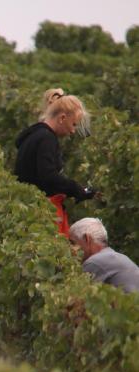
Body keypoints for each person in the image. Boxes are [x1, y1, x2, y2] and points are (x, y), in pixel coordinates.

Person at [14, 89, 96, 238]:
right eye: (74, 124)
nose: (73, 131)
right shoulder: (47, 138)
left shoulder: (33, 135)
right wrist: (76, 189)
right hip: (40, 209)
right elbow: (48, 176)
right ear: (62, 118)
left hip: (25, 204)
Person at [68, 217, 139, 294]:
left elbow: (75, 295)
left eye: (73, 243)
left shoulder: (94, 262)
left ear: (87, 239)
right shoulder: (118, 257)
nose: (70, 248)